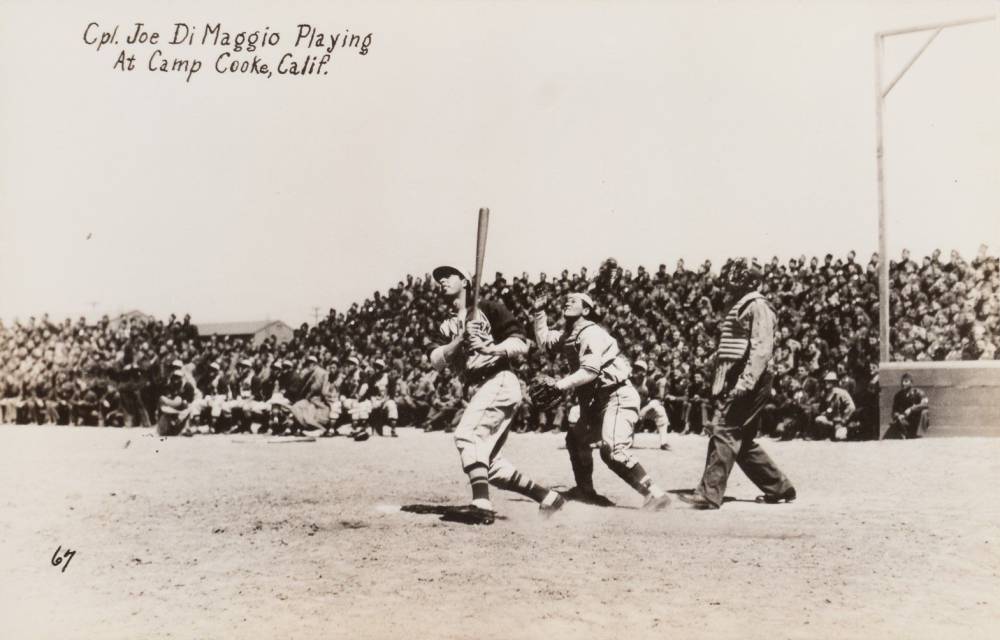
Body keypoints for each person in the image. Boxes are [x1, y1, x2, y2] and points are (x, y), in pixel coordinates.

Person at [430, 264, 565, 525]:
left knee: (467, 436)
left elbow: (521, 343)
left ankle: (481, 504)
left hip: (499, 378)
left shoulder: (489, 308)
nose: (442, 280)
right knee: (490, 464)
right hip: (480, 388)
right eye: (439, 278)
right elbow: (436, 359)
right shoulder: (446, 323)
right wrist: (458, 341)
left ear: (466, 281)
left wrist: (489, 348)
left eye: (449, 275)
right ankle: (548, 498)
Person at [532, 292, 671, 510]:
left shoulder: (591, 332)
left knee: (613, 451)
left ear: (586, 310)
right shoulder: (570, 333)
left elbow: (589, 371)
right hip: (597, 401)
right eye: (567, 300)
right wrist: (539, 313)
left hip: (617, 395)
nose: (568, 301)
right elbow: (544, 342)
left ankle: (655, 493)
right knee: (576, 440)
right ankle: (585, 490)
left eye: (575, 300)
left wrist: (559, 385)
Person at [680, 258, 796, 509]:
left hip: (751, 377)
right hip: (738, 375)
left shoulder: (758, 305)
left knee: (724, 428)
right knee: (739, 441)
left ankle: (709, 494)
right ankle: (780, 487)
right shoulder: (740, 304)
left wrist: (746, 381)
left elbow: (761, 349)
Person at [812, 371, 856, 441]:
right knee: (819, 419)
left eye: (830, 382)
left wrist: (843, 420)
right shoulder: (826, 393)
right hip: (831, 420)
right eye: (826, 381)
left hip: (840, 421)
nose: (827, 383)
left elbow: (851, 407)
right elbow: (826, 408)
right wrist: (824, 412)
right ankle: (828, 435)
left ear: (834, 382)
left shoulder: (841, 393)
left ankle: (840, 431)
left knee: (839, 437)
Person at [890, 372, 929, 438]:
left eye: (906, 381)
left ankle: (919, 434)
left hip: (915, 420)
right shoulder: (898, 395)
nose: (903, 384)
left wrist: (911, 409)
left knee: (925, 412)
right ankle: (904, 433)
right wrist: (898, 416)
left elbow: (925, 404)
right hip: (904, 420)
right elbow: (894, 410)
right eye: (902, 381)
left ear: (911, 383)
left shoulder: (919, 393)